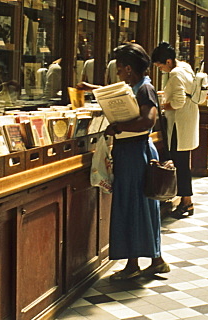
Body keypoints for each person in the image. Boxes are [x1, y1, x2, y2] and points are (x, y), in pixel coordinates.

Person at [78, 43, 168, 279]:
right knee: (143, 206)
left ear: (128, 68)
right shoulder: (135, 87)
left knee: (132, 206)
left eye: (119, 69)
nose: (117, 73)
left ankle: (132, 265)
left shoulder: (145, 89)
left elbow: (148, 120)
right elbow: (117, 95)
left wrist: (119, 127)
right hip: (130, 152)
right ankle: (155, 258)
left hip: (135, 153)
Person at [150, 42, 199, 219]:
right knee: (183, 163)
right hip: (187, 122)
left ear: (169, 61)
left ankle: (187, 202)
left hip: (179, 125)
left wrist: (162, 105)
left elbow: (178, 102)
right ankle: (185, 199)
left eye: (160, 65)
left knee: (181, 165)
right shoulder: (185, 67)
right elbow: (183, 94)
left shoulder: (176, 74)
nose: (160, 69)